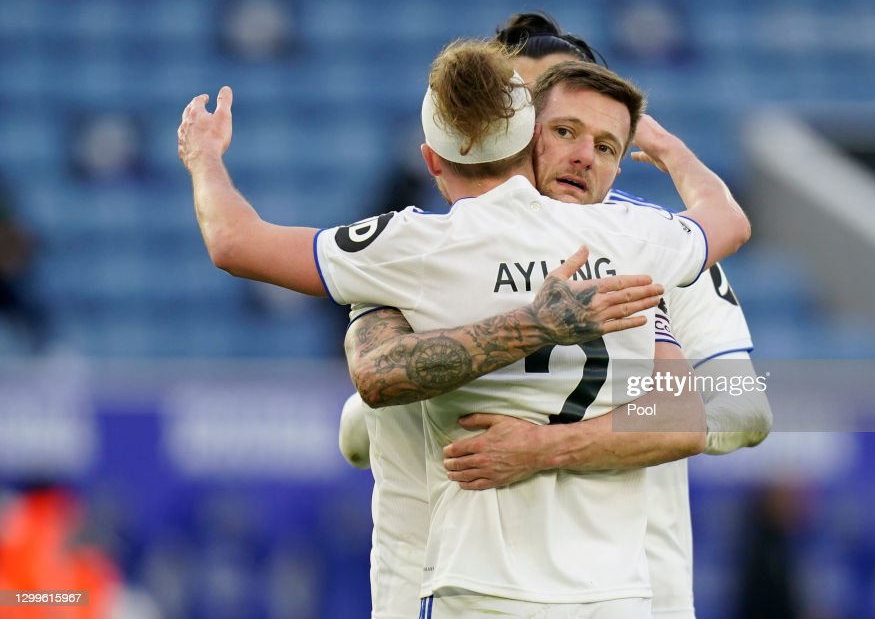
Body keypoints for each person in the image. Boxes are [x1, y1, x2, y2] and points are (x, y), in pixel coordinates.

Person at [179, 40, 749, 617]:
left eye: (604, 145)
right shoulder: (638, 241)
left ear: (433, 160)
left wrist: (205, 160)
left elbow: (234, 242)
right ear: (528, 138)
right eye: (566, 132)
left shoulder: (413, 250)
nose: (582, 156)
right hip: (614, 594)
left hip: (477, 585)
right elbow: (727, 222)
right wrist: (672, 152)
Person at [339, 12, 770, 619]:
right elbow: (372, 394)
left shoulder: (655, 244)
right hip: (436, 590)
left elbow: (739, 407)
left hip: (627, 587)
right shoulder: (423, 249)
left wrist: (549, 446)